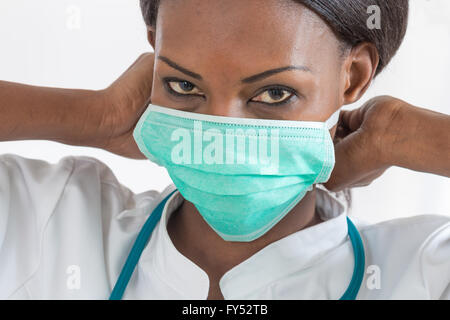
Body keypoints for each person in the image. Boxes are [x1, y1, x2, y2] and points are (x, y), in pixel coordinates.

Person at [0, 0, 449, 300]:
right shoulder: (48, 219)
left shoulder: (425, 270)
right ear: (155, 54)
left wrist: (402, 132)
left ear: (351, 78)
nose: (221, 127)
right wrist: (91, 116)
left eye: (273, 94)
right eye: (183, 84)